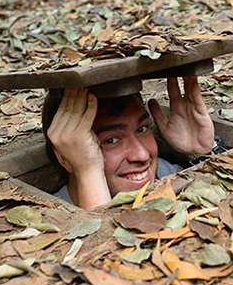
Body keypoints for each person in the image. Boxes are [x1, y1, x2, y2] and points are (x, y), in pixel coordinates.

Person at [42, 76, 218, 210]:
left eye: (142, 129)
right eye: (111, 140)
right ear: (65, 157)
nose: (142, 155)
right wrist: (89, 173)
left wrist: (203, 153)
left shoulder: (164, 173)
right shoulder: (51, 218)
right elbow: (104, 251)